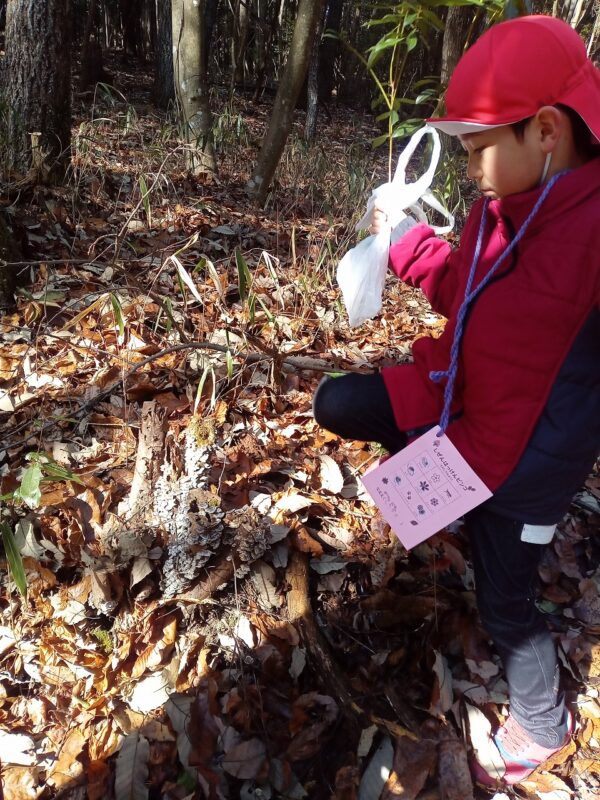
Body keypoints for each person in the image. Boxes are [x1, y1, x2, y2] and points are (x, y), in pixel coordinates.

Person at [313, 15, 600, 787]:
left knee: (506, 605)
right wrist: (403, 243)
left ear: (545, 130)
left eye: (477, 151)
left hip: (528, 470)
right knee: (339, 403)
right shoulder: (504, 203)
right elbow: (467, 288)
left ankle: (543, 727)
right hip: (459, 410)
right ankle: (440, 501)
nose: (470, 169)